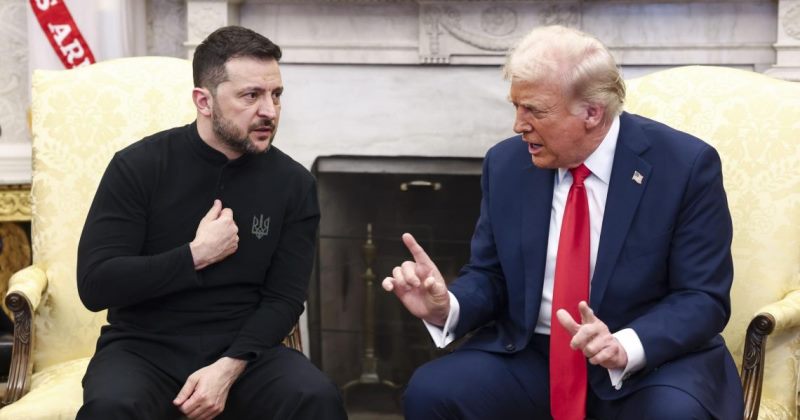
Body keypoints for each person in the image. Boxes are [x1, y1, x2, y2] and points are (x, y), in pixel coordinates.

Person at [383, 25, 743, 420]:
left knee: (673, 415)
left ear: (592, 112)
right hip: (533, 353)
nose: (519, 124)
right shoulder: (507, 164)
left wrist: (625, 345)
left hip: (648, 360)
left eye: (535, 110)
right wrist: (447, 307)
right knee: (432, 392)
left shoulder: (684, 166)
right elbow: (491, 275)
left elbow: (701, 297)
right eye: (516, 106)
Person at [76, 26, 347, 420]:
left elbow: (285, 299)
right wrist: (195, 256)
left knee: (316, 397)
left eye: (276, 95)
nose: (269, 111)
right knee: (111, 407)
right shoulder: (138, 166)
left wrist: (228, 367)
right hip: (144, 348)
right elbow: (96, 284)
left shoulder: (294, 183)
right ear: (204, 101)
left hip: (245, 352)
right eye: (251, 96)